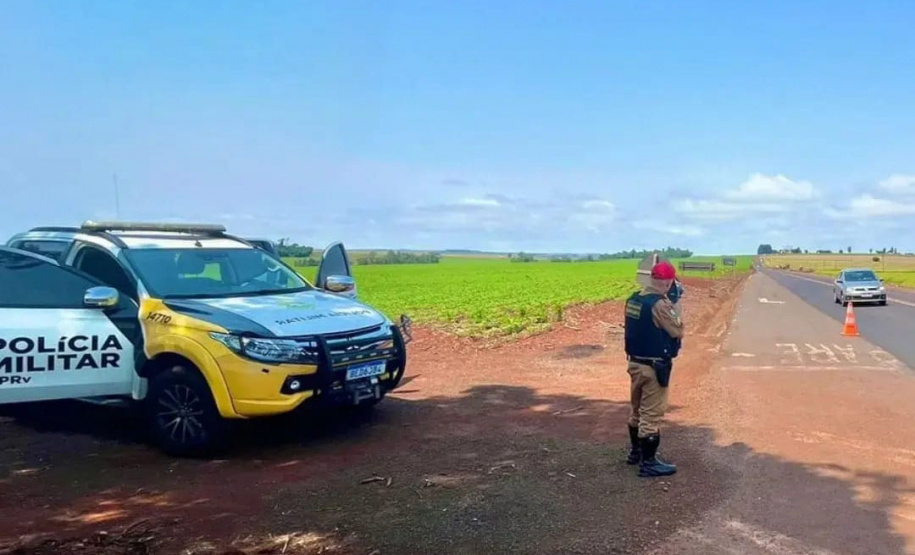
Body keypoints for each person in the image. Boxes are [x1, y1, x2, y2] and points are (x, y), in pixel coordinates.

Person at [623, 260, 684, 477]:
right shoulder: (660, 305)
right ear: (668, 282)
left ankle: (635, 453)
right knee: (651, 414)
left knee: (636, 410)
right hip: (654, 367)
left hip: (635, 363)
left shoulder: (634, 299)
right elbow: (677, 330)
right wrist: (675, 303)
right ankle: (648, 463)